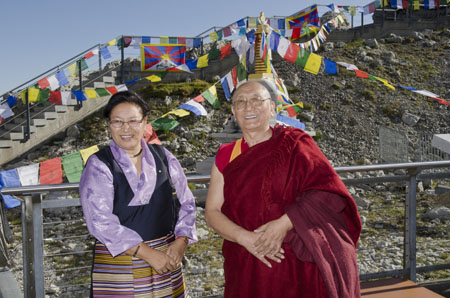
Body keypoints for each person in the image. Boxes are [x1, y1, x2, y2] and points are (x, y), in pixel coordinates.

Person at [205, 80, 362, 298]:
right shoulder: (226, 154)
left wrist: (284, 223)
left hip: (294, 256)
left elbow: (327, 191)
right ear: (233, 111)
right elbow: (212, 211)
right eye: (241, 102)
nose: (248, 107)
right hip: (245, 257)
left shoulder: (295, 144)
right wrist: (244, 238)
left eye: (257, 100)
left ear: (272, 107)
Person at [80, 90, 197, 297]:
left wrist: (181, 241)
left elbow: (186, 202)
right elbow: (100, 221)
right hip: (119, 264)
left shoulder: (164, 156)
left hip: (167, 258)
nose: (126, 129)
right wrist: (148, 254)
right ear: (109, 125)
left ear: (145, 123)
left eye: (133, 121)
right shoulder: (99, 164)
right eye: (117, 122)